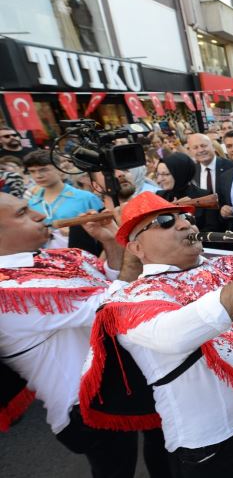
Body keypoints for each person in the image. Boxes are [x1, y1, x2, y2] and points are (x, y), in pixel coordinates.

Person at [82, 192, 233, 477]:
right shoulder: (128, 300)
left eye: (186, 217)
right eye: (164, 221)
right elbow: (176, 334)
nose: (186, 225)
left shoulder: (222, 266)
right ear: (137, 247)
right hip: (207, 441)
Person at [0, 193, 151, 478]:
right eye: (22, 213)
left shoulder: (54, 255)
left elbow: (109, 279)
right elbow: (115, 304)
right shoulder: (9, 293)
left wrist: (109, 241)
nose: (39, 215)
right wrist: (134, 236)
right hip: (84, 408)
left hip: (116, 387)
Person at [24, 150, 103, 225]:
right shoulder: (31, 203)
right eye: (32, 171)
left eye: (44, 170)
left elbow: (106, 226)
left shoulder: (86, 198)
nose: (38, 176)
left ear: (59, 169)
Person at [155, 153, 221, 233]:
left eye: (165, 174)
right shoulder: (159, 196)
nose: (159, 180)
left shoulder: (204, 197)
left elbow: (211, 230)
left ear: (180, 173)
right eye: (158, 174)